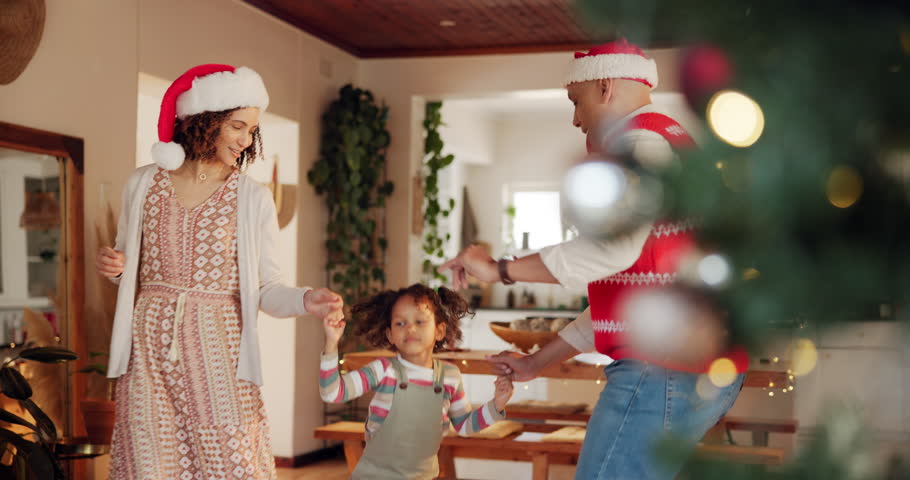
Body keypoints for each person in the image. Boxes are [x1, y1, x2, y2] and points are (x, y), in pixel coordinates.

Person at [439, 39, 748, 480]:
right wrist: (535, 363)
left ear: (604, 86)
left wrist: (499, 269)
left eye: (575, 100)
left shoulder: (638, 143)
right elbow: (622, 290)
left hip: (660, 368)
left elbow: (608, 250)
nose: (575, 118)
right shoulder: (667, 139)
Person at [95, 64, 344, 480]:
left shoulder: (252, 197)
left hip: (219, 348)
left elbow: (266, 287)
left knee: (231, 460)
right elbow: (128, 263)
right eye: (236, 126)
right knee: (150, 461)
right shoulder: (142, 183)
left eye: (251, 130)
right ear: (203, 121)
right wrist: (116, 267)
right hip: (149, 346)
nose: (246, 139)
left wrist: (304, 299)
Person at [320, 284, 513, 479]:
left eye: (420, 321)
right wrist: (331, 343)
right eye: (400, 323)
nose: (410, 328)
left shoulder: (450, 376)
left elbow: (464, 426)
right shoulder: (384, 370)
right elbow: (332, 392)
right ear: (390, 335)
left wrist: (497, 403)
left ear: (440, 331)